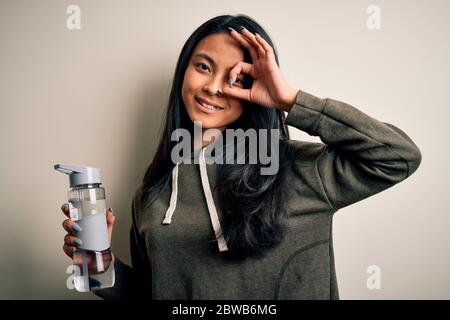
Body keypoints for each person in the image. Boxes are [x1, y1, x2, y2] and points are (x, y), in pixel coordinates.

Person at [60, 14, 422, 300]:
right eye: (203, 66)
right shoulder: (152, 195)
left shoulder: (298, 171)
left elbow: (399, 157)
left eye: (236, 77)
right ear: (183, 71)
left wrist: (290, 101)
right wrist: (101, 265)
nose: (214, 87)